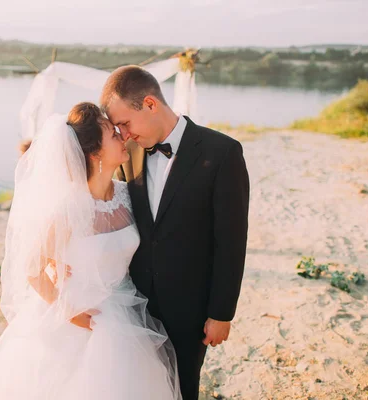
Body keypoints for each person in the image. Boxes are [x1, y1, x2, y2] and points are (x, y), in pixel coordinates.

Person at [0, 102, 181, 400]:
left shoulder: (128, 194)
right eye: (112, 134)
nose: (122, 137)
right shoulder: (67, 207)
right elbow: (32, 269)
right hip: (80, 313)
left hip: (127, 310)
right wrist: (68, 311)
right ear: (94, 153)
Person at [102, 65, 250, 400]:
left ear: (151, 104)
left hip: (190, 309)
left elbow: (230, 242)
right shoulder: (128, 154)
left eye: (125, 123)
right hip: (134, 305)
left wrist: (221, 313)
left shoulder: (223, 152)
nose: (123, 134)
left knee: (183, 389)